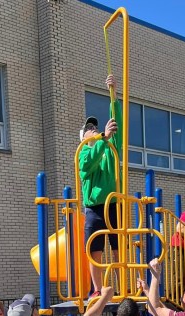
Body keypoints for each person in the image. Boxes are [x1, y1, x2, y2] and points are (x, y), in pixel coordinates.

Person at [79, 74, 122, 298]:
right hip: (95, 208)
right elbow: (87, 164)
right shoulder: (84, 151)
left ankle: (120, 285)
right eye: (89, 128)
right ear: (83, 137)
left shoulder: (109, 148)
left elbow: (117, 126)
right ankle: (97, 289)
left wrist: (113, 95)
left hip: (113, 204)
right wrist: (102, 138)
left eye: (95, 126)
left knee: (117, 249)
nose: (93, 128)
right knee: (94, 251)